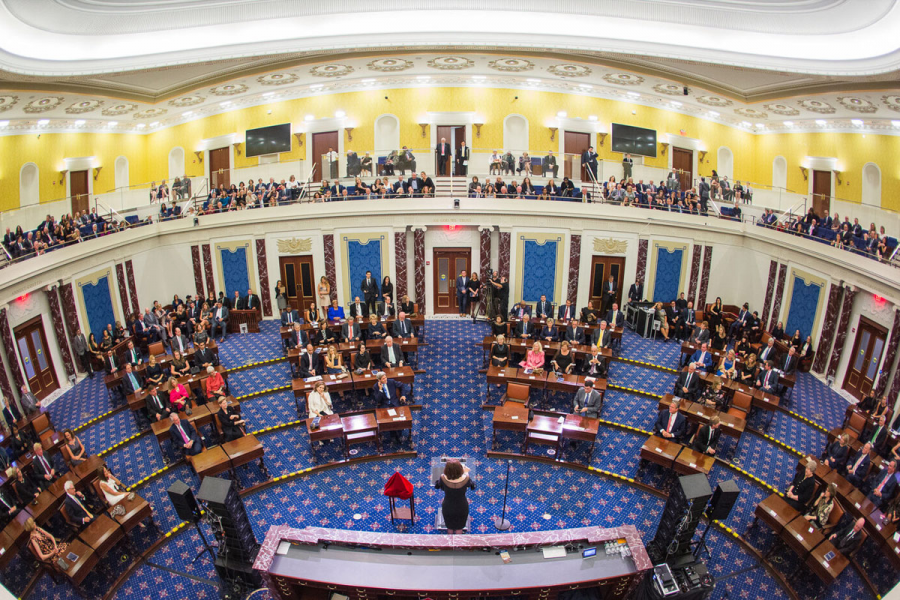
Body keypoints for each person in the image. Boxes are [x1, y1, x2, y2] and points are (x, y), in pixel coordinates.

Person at [435, 460, 474, 534]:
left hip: (448, 506)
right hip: (462, 506)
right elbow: (472, 485)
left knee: (449, 527)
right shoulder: (466, 478)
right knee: (459, 528)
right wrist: (466, 472)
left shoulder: (443, 478)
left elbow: (438, 486)